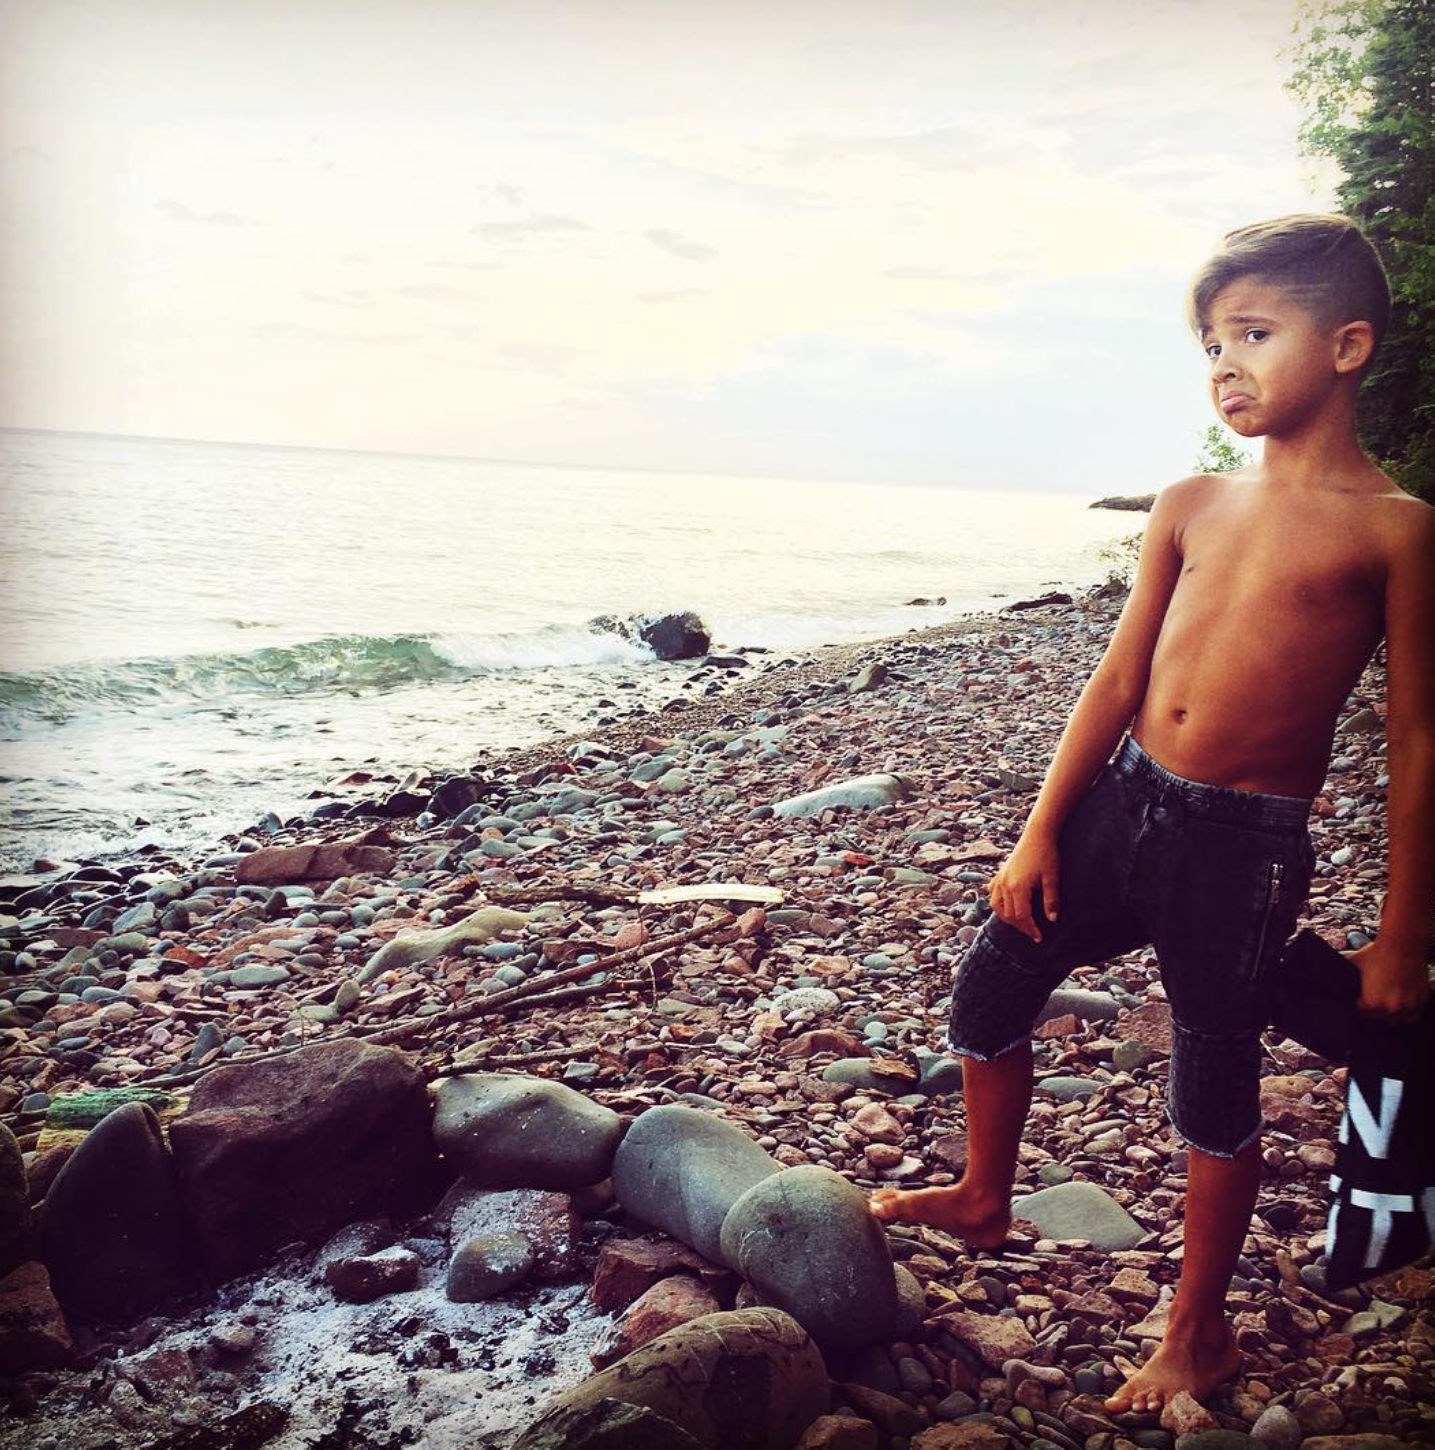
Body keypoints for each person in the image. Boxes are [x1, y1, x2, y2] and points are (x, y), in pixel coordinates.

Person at [871, 213, 1435, 1413]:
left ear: (1345, 347)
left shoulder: (1395, 530)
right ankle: (982, 1193)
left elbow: (1416, 738)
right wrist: (1035, 831)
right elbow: (1117, 680)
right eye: (1209, 343)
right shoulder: (1187, 502)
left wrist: (1402, 935)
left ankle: (1198, 1330)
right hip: (1121, 802)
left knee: (1211, 1080)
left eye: (1252, 332)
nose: (1223, 362)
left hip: (1244, 847)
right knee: (987, 996)